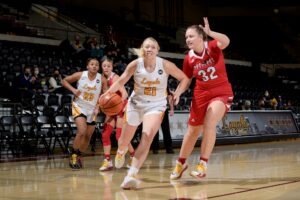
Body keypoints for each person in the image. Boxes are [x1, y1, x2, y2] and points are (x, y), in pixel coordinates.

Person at [99, 37, 189, 189]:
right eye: (146, 46)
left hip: (156, 105)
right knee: (123, 140)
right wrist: (106, 94)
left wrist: (178, 93)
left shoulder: (166, 65)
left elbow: (185, 78)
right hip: (136, 104)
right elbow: (121, 81)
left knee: (147, 136)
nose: (149, 49)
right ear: (142, 49)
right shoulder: (135, 64)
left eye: (153, 47)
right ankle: (121, 151)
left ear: (157, 50)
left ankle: (131, 174)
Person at [170, 17, 234, 180]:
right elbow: (187, 79)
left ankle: (202, 164)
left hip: (221, 92)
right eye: (186, 38)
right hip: (200, 95)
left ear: (200, 36)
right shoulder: (188, 58)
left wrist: (211, 33)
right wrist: (177, 93)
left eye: (191, 36)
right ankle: (181, 163)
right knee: (192, 131)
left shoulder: (212, 46)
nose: (187, 39)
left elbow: (226, 40)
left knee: (210, 122)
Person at [61, 58, 107, 169]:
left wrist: (99, 106)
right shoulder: (80, 75)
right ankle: (73, 154)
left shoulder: (102, 79)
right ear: (87, 66)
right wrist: (73, 90)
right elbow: (64, 81)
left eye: (96, 65)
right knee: (82, 131)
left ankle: (79, 155)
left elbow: (105, 95)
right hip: (79, 106)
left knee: (88, 136)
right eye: (92, 64)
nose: (94, 66)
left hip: (92, 109)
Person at [99, 58, 135, 171]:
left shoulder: (115, 78)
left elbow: (124, 94)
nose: (106, 68)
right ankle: (107, 161)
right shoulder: (101, 78)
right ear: (101, 67)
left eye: (108, 66)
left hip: (121, 108)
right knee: (105, 134)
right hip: (111, 109)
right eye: (104, 66)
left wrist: (121, 109)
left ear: (112, 67)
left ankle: (133, 157)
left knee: (120, 136)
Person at [151, 89, 175, 154]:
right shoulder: (151, 83)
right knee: (155, 130)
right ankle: (155, 148)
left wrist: (172, 109)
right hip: (153, 109)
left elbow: (169, 97)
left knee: (166, 129)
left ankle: (169, 148)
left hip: (163, 109)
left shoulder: (164, 84)